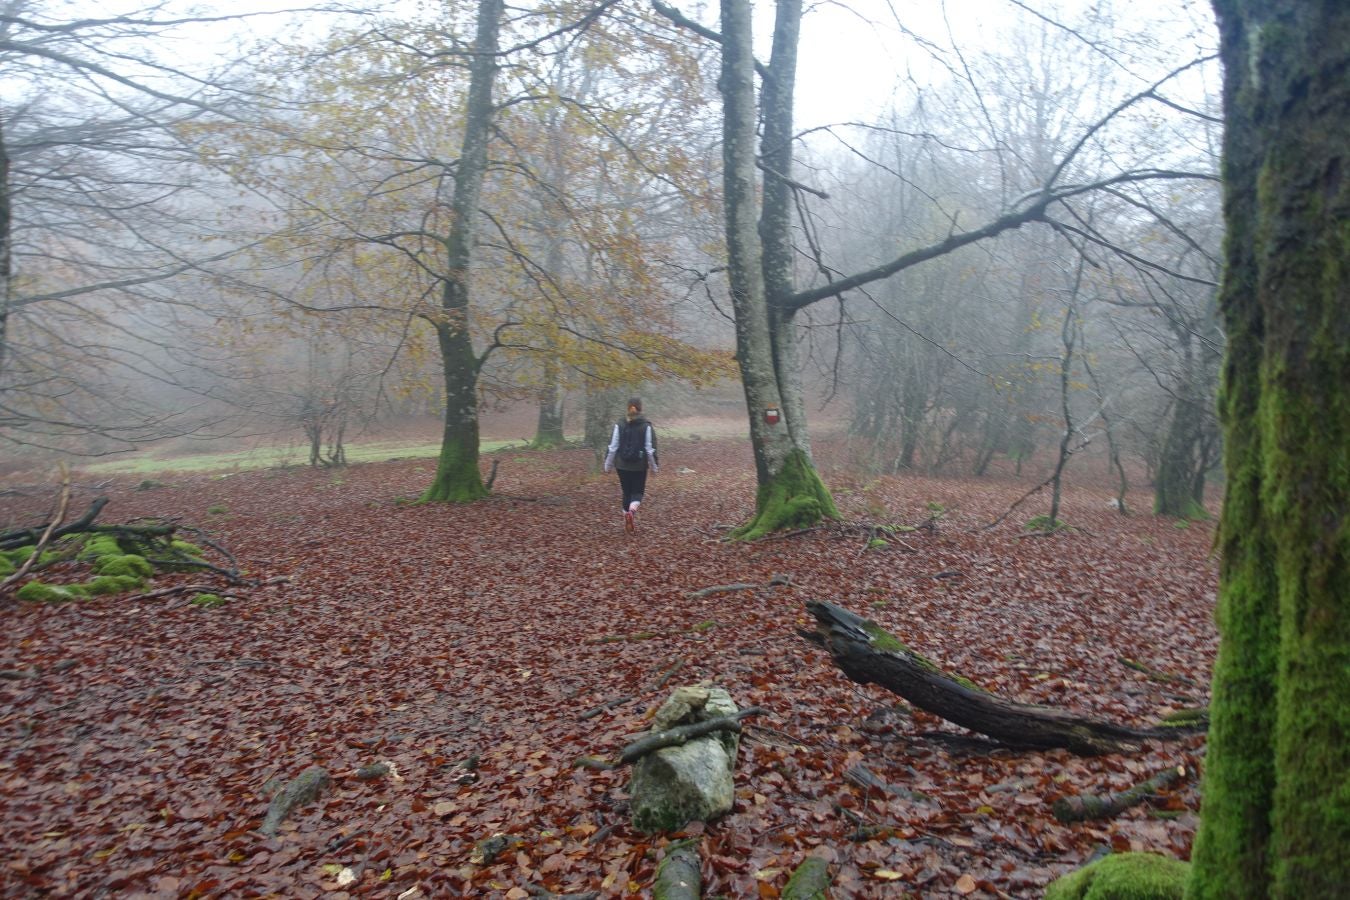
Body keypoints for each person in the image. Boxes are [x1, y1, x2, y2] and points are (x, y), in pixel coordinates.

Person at [603, 397, 659, 532]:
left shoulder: (619, 424)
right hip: (639, 466)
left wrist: (607, 465)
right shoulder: (646, 426)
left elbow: (613, 447)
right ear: (641, 408)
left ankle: (626, 519)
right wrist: (654, 467)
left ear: (627, 407)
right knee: (637, 492)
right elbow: (649, 449)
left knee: (626, 492)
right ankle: (631, 513)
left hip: (621, 465)